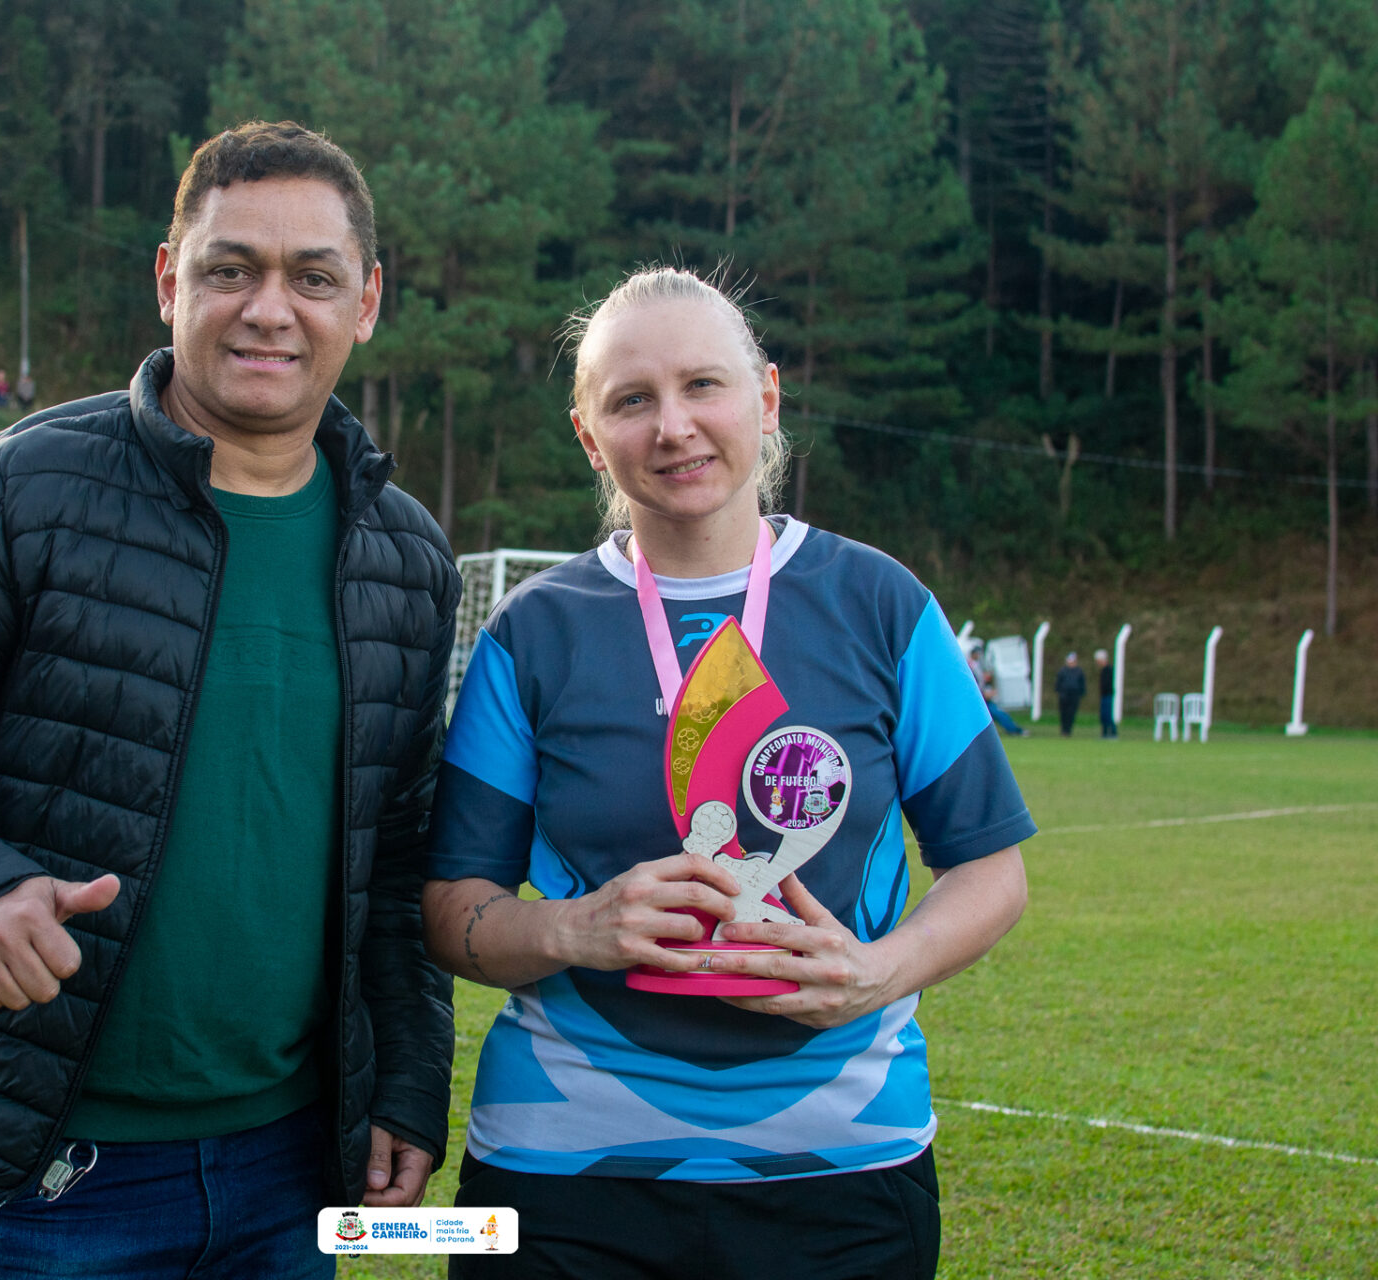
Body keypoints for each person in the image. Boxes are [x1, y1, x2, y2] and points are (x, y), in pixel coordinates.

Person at [0, 121, 460, 1280]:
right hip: (34, 1168)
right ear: (167, 280)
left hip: (285, 1173)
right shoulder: (22, 487)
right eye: (228, 267)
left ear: (367, 302)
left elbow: (396, 855)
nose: (268, 308)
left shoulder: (406, 556)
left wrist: (402, 1075)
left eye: (312, 277)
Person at [422, 267, 1032, 1280]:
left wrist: (878, 972)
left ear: (768, 400)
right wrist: (573, 927)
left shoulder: (883, 606)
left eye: (704, 384)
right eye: (631, 399)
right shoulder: (531, 633)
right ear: (589, 434)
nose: (674, 426)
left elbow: (991, 871)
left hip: (844, 1165)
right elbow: (451, 906)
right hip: (565, 1169)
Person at [1055, 651, 1087, 737]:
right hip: (1064, 695)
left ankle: (1068, 730)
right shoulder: (1063, 671)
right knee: (1063, 713)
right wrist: (1059, 691)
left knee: (1071, 713)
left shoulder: (1079, 671)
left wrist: (1081, 692)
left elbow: (1082, 683)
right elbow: (1058, 682)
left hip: (1074, 695)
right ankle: (1064, 730)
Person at [1096, 648, 1117, 737]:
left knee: (1108, 715)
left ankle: (1113, 733)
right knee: (1103, 715)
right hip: (1104, 695)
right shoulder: (1104, 670)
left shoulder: (1109, 670)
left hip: (1109, 695)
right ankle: (1104, 733)